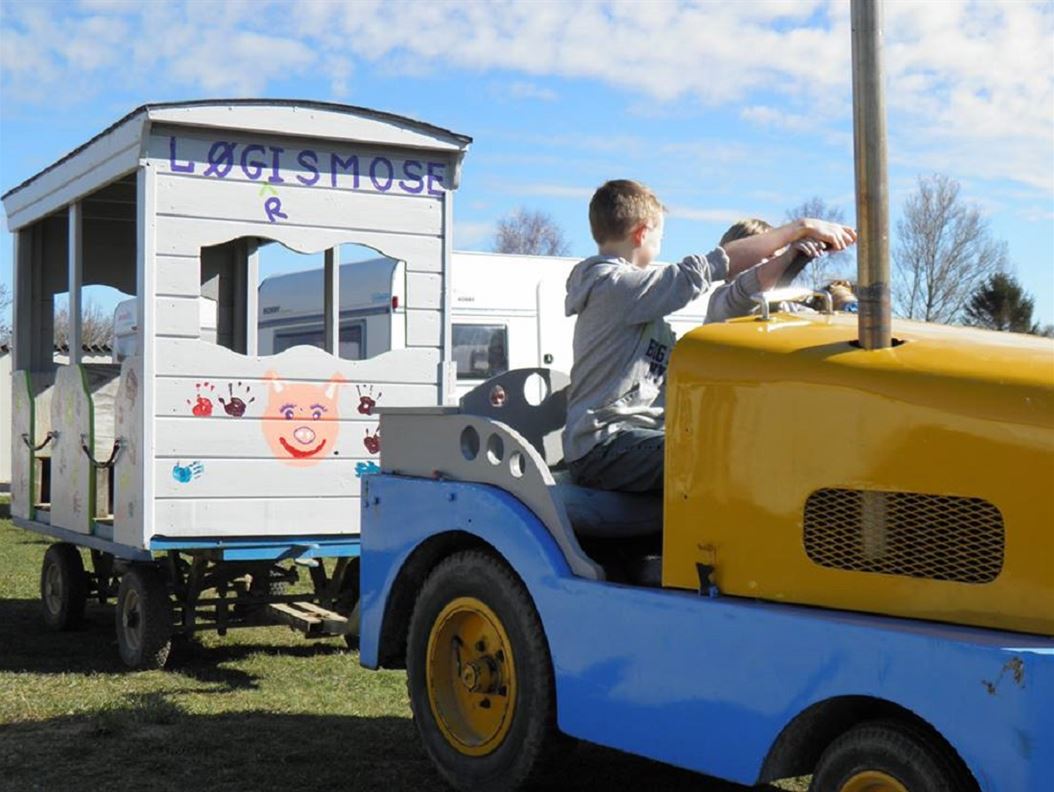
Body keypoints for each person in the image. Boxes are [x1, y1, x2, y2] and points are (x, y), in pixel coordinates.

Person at [563, 179, 856, 493]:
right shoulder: (617, 288)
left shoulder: (633, 301)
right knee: (724, 455)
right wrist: (800, 227)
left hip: (632, 440)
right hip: (605, 446)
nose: (662, 242)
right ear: (642, 233)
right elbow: (707, 269)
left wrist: (790, 259)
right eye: (661, 235)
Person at [705, 218, 827, 324]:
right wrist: (788, 257)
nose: (767, 263)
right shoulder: (719, 301)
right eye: (754, 256)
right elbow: (745, 292)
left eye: (773, 256)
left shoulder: (787, 306)